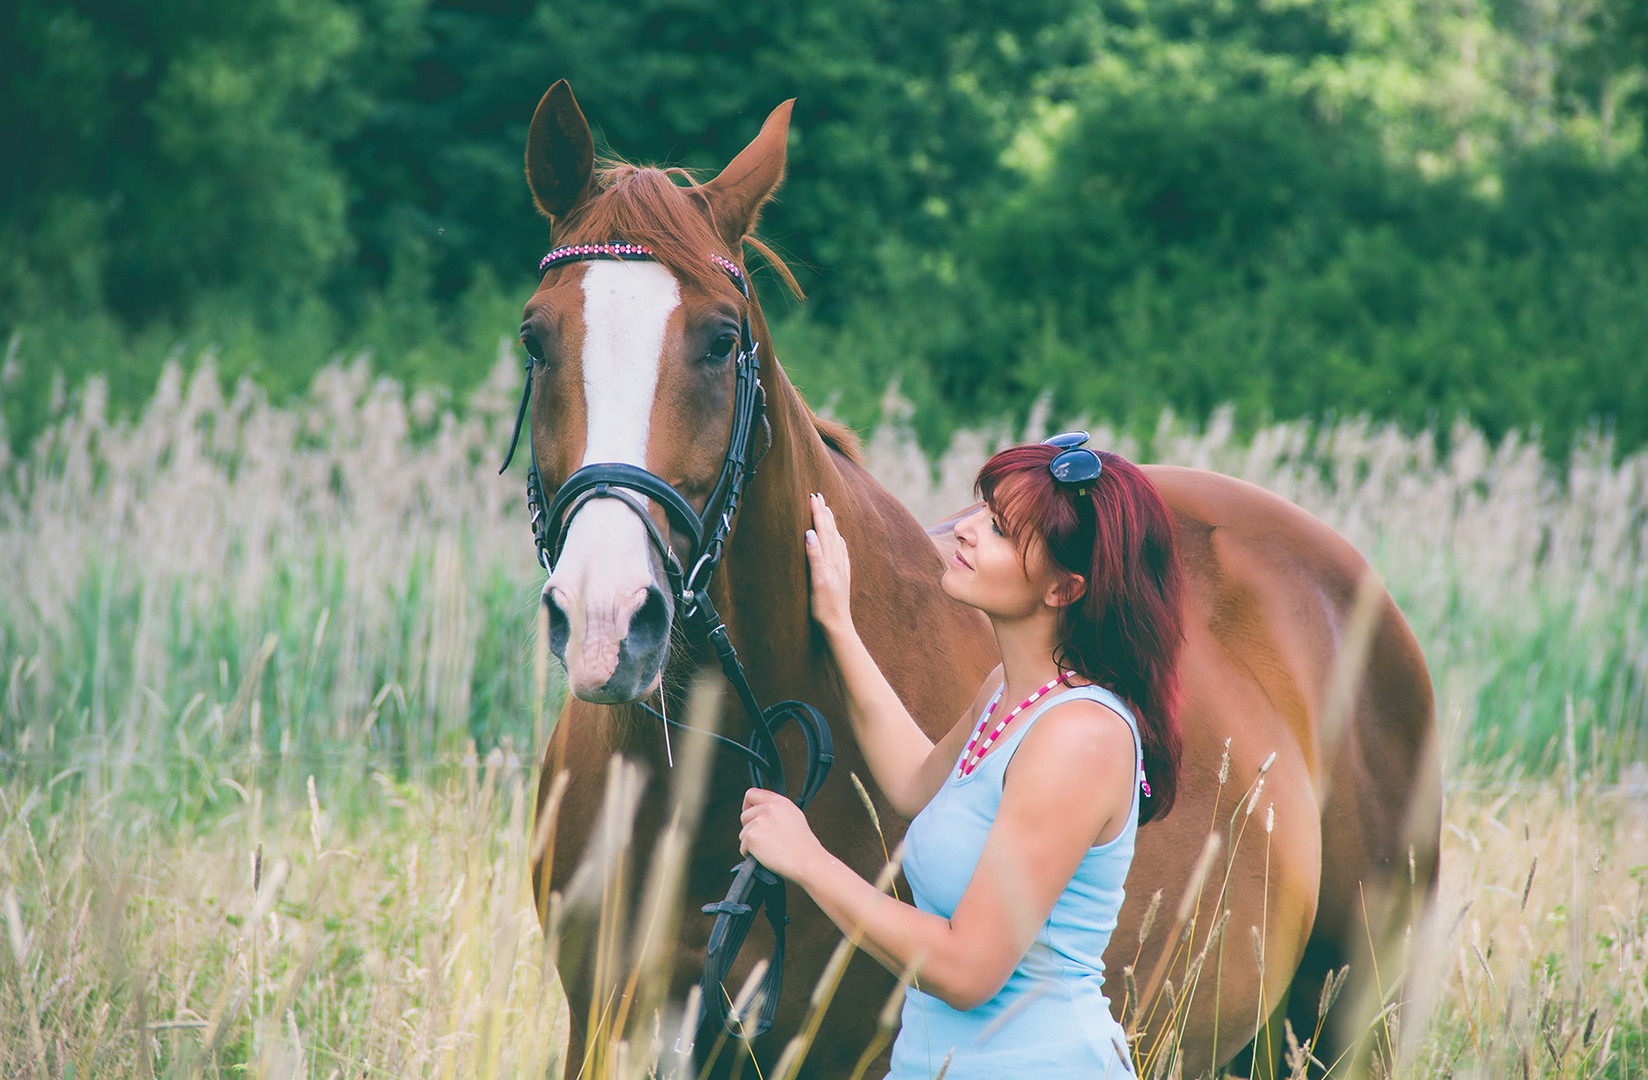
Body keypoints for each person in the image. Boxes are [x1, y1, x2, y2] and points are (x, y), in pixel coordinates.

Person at [739, 433, 1186, 1078]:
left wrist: (808, 861)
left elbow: (968, 970)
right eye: (980, 508)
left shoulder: (1080, 737)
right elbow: (913, 779)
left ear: (1064, 589)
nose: (966, 530)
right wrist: (837, 621)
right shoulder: (1009, 695)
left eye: (1000, 529)